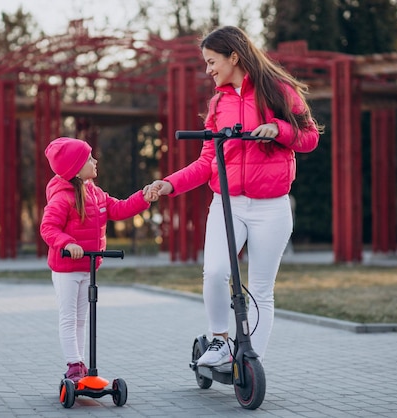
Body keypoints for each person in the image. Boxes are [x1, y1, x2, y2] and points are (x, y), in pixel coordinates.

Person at [145, 26, 321, 366]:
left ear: (234, 57)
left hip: (272, 208)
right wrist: (169, 184)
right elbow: (206, 163)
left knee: (260, 291)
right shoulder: (218, 104)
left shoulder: (278, 91)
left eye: (212, 62)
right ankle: (220, 341)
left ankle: (250, 361)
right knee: (214, 272)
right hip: (229, 204)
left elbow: (309, 137)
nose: (208, 69)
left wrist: (279, 130)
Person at [40, 137, 158, 383]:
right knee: (69, 317)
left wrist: (143, 197)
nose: (95, 161)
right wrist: (67, 243)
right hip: (67, 269)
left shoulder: (95, 193)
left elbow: (119, 208)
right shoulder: (63, 198)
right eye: (89, 158)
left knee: (82, 318)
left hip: (88, 266)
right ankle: (73, 364)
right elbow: (48, 228)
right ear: (76, 168)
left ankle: (81, 362)